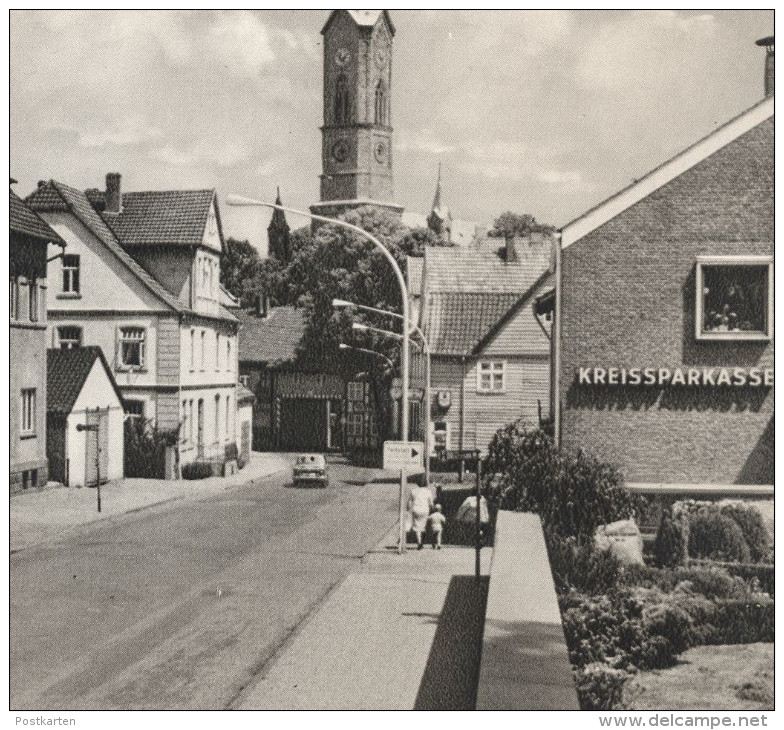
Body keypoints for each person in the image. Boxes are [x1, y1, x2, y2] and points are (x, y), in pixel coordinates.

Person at [407, 478, 434, 550]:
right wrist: (432, 509)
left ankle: (419, 542)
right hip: (425, 510)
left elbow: (409, 502)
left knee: (416, 526)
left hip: (416, 509)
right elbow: (431, 503)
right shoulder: (428, 492)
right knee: (424, 526)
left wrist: (409, 509)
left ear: (417, 484)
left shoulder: (413, 491)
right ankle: (423, 541)